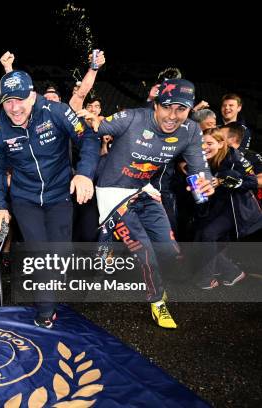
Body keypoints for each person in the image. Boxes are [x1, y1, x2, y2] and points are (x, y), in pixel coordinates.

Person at [94, 78, 215, 329]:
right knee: (145, 253)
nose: (172, 116)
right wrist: (90, 122)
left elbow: (200, 168)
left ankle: (148, 279)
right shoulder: (132, 118)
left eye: (180, 109)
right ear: (156, 106)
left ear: (189, 110)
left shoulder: (191, 130)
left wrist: (207, 182)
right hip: (113, 194)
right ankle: (157, 301)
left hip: (144, 191)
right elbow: (92, 128)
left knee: (170, 251)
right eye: (167, 107)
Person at [0, 69, 100, 328]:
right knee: (41, 253)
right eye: (8, 101)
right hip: (25, 200)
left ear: (32, 95)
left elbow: (90, 139)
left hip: (60, 194)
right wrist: (1, 206)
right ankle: (45, 313)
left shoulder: (57, 111)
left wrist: (84, 174)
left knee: (59, 255)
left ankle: (47, 293)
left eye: (20, 99)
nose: (15, 108)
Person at [193, 128, 261, 289]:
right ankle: (232, 272)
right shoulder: (200, 156)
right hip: (215, 205)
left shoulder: (234, 157)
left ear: (221, 143)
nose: (204, 146)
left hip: (236, 208)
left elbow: (252, 182)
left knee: (208, 235)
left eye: (209, 143)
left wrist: (227, 182)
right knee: (200, 236)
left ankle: (207, 279)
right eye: (202, 143)